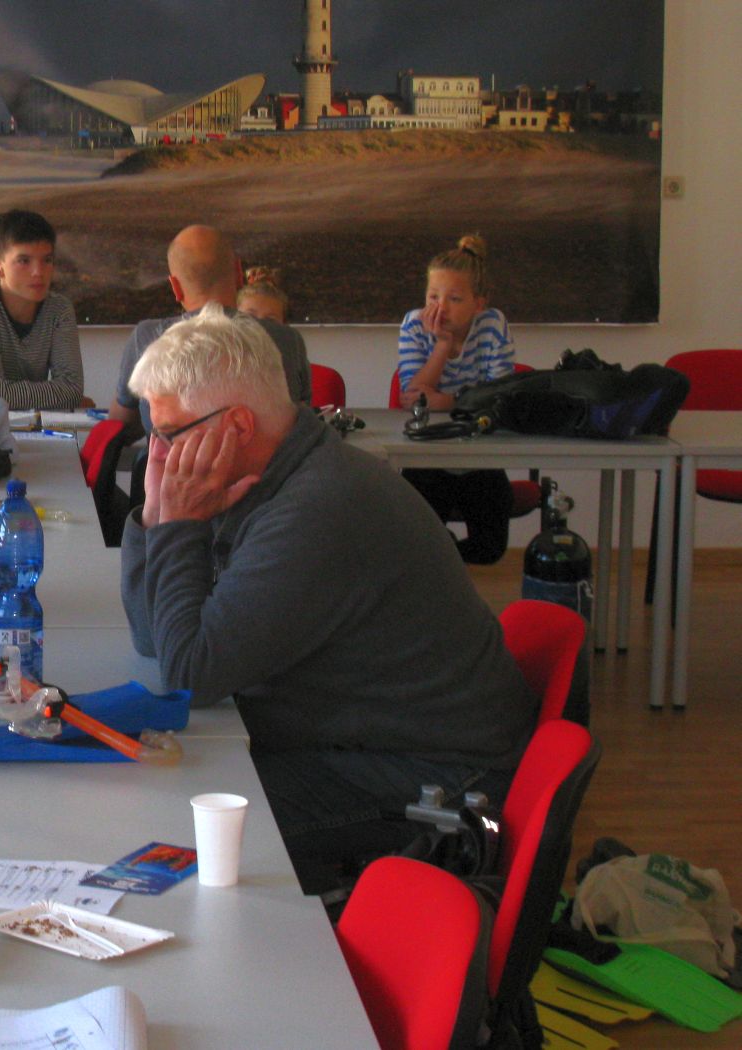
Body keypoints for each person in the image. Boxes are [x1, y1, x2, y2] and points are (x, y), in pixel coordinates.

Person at [120, 303, 534, 896]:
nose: (158, 454)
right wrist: (157, 515)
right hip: (363, 741)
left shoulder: (319, 508)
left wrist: (179, 524)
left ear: (237, 426)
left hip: (436, 772)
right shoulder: (265, 477)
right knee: (163, 789)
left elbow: (190, 675)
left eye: (168, 435)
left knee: (175, 820)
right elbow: (154, 638)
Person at [108, 225, 311, 444]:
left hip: (170, 465)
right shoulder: (288, 340)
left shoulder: (148, 338)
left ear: (175, 287)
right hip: (271, 466)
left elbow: (119, 426)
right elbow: (301, 422)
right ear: (238, 273)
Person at [396, 234, 517, 564]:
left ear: (479, 303)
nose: (441, 308)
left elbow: (500, 396)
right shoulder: (414, 325)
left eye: (454, 298)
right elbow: (413, 398)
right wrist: (442, 345)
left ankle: (445, 560)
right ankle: (439, 561)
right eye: (433, 296)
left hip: (479, 454)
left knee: (491, 549)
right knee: (417, 543)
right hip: (427, 456)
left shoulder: (493, 325)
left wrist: (446, 402)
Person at [0, 209, 91, 411]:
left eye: (47, 260)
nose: (38, 272)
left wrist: (0, 391)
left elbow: (72, 390)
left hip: (37, 426)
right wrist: (58, 396)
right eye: (24, 261)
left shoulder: (59, 309)